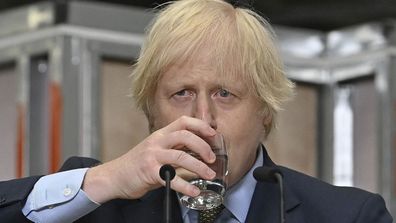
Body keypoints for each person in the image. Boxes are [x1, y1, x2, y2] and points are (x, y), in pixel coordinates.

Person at [0, 0, 393, 222]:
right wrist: (106, 181)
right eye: (181, 93)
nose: (202, 119)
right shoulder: (102, 206)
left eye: (225, 93)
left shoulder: (348, 216)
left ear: (266, 112)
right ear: (151, 115)